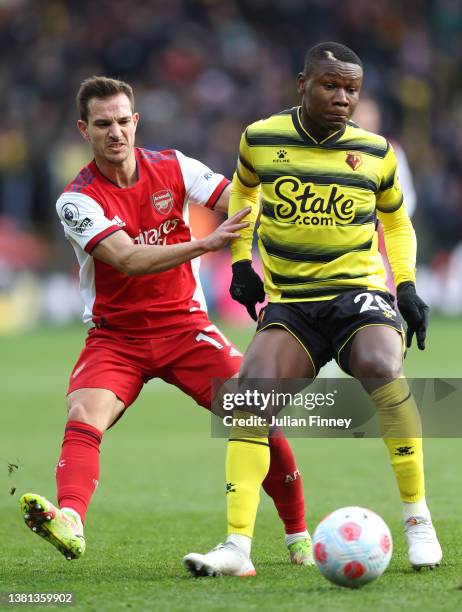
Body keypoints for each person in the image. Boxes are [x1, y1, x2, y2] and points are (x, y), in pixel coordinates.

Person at [19, 76, 312, 566]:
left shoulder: (174, 166)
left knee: (254, 410)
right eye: (102, 124)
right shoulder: (76, 200)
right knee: (83, 415)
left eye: (122, 122)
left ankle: (297, 535)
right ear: (83, 130)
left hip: (185, 328)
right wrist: (207, 243)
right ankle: (70, 520)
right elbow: (128, 258)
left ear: (136, 122)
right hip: (117, 337)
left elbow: (236, 198)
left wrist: (282, 213)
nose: (115, 133)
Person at [183, 42, 442, 577]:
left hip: (357, 294)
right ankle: (236, 548)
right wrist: (239, 262)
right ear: (302, 83)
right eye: (331, 85)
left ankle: (418, 521)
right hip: (293, 303)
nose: (342, 97)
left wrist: (409, 287)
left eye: (351, 89)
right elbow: (243, 198)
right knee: (248, 397)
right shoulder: (260, 138)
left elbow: (395, 221)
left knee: (381, 367)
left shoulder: (375, 151)